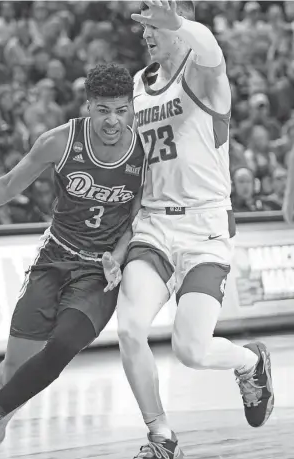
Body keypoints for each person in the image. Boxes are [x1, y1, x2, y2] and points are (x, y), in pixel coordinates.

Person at [0, 63, 145, 459]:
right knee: (15, 365)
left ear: (132, 108)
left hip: (99, 270)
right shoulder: (59, 141)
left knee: (63, 344)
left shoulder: (145, 150)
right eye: (103, 109)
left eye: (121, 110)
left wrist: (119, 257)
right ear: (89, 107)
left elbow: (139, 217)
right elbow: (5, 186)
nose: (113, 120)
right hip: (54, 256)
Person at [115, 2, 275, 458]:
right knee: (129, 330)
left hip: (204, 228)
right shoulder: (136, 86)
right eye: (143, 27)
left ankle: (250, 361)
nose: (146, 34)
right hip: (153, 226)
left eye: (156, 26)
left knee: (192, 350)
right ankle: (161, 438)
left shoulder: (204, 73)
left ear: (179, 29)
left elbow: (212, 49)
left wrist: (182, 25)